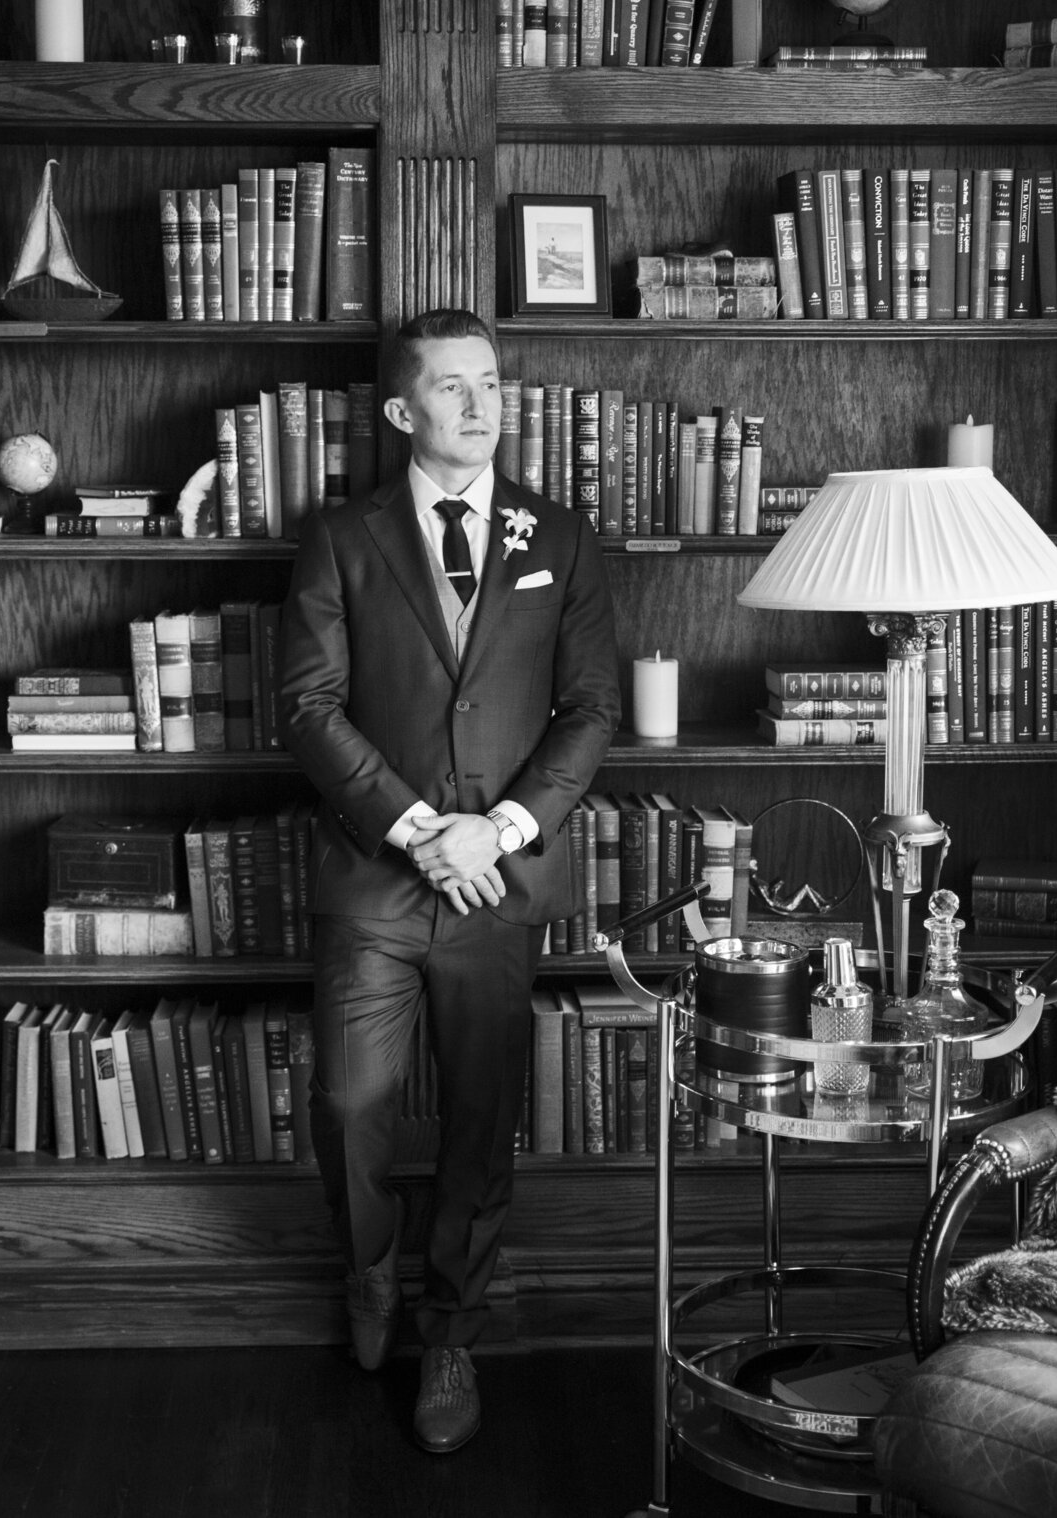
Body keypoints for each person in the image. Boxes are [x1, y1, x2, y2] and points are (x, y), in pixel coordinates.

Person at [276, 308, 620, 1453]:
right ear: (399, 410)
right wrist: (423, 827)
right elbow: (307, 706)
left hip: (499, 882)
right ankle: (368, 1270)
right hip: (376, 878)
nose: (480, 405)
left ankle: (453, 1329)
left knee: (483, 1118)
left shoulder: (560, 537)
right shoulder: (341, 536)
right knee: (350, 1103)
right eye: (452, 387)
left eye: (491, 383)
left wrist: (499, 829)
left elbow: (589, 710)